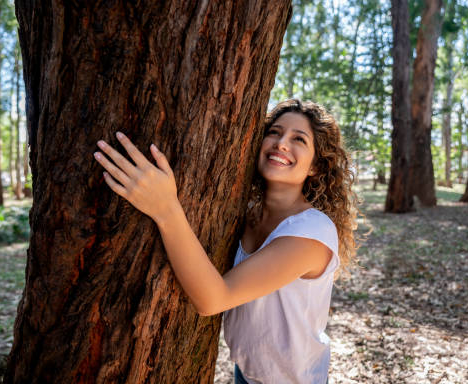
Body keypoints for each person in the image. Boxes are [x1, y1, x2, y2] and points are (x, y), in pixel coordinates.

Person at [93, 99, 360, 383]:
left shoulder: (313, 233)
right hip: (246, 372)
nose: (282, 143)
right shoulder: (245, 214)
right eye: (274, 132)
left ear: (315, 167)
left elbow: (214, 299)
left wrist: (165, 208)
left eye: (299, 139)